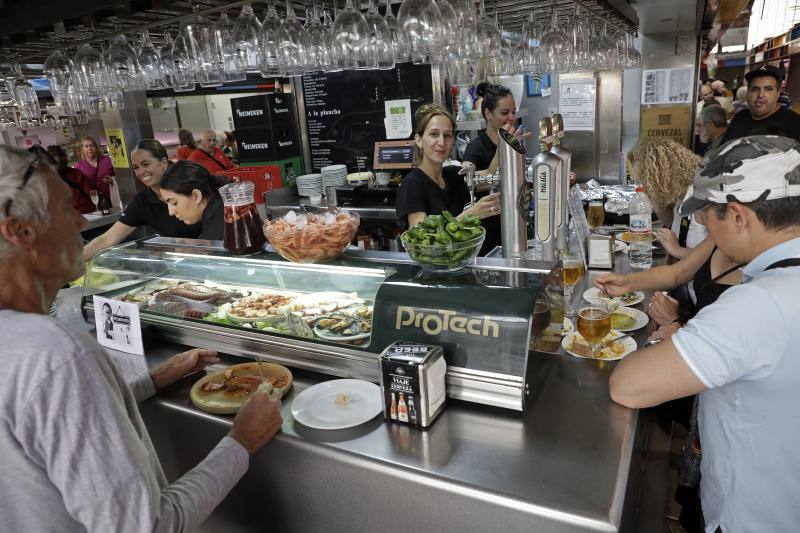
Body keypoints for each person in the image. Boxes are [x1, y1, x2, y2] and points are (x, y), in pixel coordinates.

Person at [0, 144, 283, 532]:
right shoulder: (54, 353)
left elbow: (48, 435)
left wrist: (152, 381)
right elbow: (146, 525)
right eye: (67, 209)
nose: (82, 224)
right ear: (21, 232)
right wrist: (242, 441)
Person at [608, 135, 800, 533]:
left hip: (754, 516)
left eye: (706, 214)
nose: (700, 223)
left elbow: (628, 385)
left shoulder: (759, 305)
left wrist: (671, 330)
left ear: (738, 216)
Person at [83, 139, 203, 261]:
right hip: (184, 264)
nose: (140, 172)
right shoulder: (142, 201)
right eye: (136, 167)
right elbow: (107, 239)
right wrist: (71, 265)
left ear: (164, 162)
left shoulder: (191, 182)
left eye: (145, 164)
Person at [396, 104, 499, 230]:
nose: (442, 142)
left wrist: (504, 147)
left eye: (447, 135)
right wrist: (470, 215)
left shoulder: (454, 174)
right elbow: (422, 239)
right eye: (434, 134)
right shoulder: (412, 184)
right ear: (419, 140)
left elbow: (490, 174)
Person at [627, 139, 706, 260]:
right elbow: (669, 222)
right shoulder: (682, 197)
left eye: (644, 179)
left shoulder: (701, 202)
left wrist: (678, 250)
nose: (644, 185)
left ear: (660, 177)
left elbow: (715, 256)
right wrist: (655, 197)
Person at [720, 65, 800, 144]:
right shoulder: (740, 117)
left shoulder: (795, 124)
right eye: (755, 89)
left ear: (778, 94)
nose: (761, 95)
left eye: (768, 89)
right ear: (747, 93)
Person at [159, 160, 227, 240]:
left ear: (196, 196)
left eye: (174, 203)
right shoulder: (222, 208)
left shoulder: (216, 234)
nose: (171, 212)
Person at [45, 145, 96, 214]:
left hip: (85, 214)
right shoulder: (48, 180)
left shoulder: (76, 174)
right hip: (79, 216)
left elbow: (92, 193)